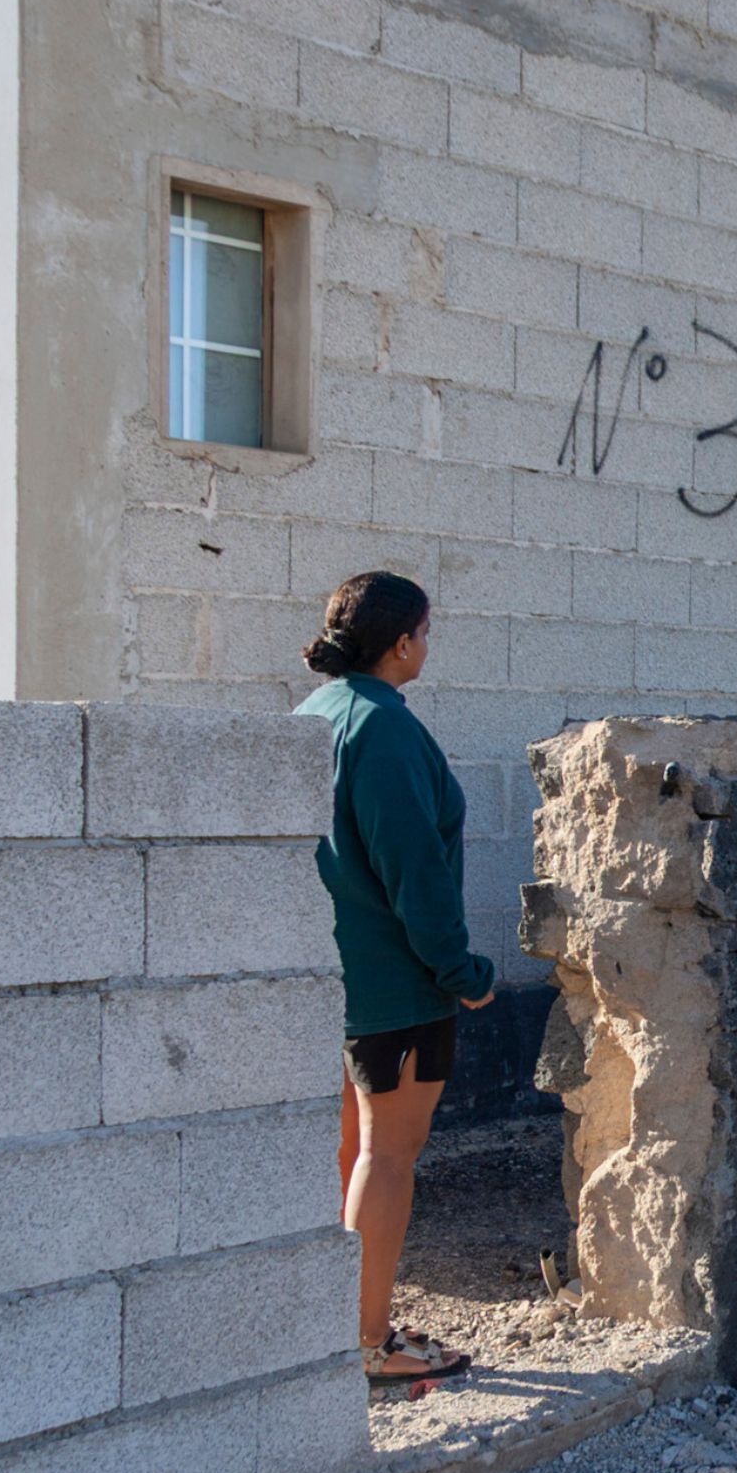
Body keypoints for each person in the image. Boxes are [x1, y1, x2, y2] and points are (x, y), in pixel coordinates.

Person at [296, 570, 496, 1386]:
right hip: (396, 983)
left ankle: (341, 1322)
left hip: (326, 973)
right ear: (401, 640)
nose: (427, 645)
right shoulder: (384, 729)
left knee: (347, 1151)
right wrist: (462, 970)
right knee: (389, 1153)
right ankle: (370, 1342)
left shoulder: (313, 716)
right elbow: (414, 867)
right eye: (424, 631)